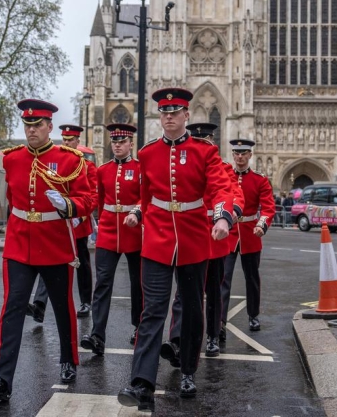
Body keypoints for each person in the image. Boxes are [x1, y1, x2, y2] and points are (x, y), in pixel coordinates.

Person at [117, 88, 234, 410]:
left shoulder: (204, 151)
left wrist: (223, 217)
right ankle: (141, 382)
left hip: (193, 238)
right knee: (153, 310)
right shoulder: (147, 153)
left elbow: (221, 188)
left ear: (186, 115)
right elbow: (145, 196)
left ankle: (188, 370)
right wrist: (140, 217)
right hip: (157, 240)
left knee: (193, 309)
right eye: (164, 112)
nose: (169, 117)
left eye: (175, 112)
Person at [0, 99, 93, 401]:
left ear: (49, 127)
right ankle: (2, 378)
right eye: (27, 125)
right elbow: (13, 199)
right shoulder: (12, 159)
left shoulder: (69, 159)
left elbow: (87, 198)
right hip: (19, 244)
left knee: (61, 305)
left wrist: (68, 205)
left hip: (54, 242)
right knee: (13, 307)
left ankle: (68, 359)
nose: (32, 130)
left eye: (38, 125)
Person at [162, 122, 244, 363]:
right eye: (198, 141)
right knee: (183, 291)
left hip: (216, 236)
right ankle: (177, 340)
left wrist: (231, 213)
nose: (203, 145)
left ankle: (213, 336)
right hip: (190, 234)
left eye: (206, 140)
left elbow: (235, 194)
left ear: (212, 142)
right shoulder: (184, 165)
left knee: (213, 291)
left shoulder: (224, 168)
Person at [79, 124, 143, 355]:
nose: (117, 145)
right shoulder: (103, 169)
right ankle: (97, 335)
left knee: (138, 284)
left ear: (130, 144)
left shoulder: (139, 168)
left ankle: (139, 327)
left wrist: (137, 212)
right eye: (114, 142)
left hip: (133, 231)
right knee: (103, 283)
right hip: (108, 231)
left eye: (122, 142)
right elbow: (100, 199)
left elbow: (145, 197)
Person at [28, 124, 97, 321]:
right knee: (48, 261)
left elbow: (93, 196)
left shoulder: (87, 166)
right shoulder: (53, 162)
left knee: (82, 263)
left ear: (77, 142)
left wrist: (79, 216)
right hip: (57, 223)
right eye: (64, 139)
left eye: (70, 140)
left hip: (78, 223)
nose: (66, 143)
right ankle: (40, 305)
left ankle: (85, 302)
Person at [221, 139, 276, 337]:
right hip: (229, 233)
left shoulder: (259, 180)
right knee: (224, 278)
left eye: (243, 153)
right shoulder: (226, 177)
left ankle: (253, 315)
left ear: (250, 155)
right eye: (237, 153)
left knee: (252, 279)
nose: (240, 157)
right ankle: (220, 320)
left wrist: (262, 224)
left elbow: (268, 207)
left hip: (250, 233)